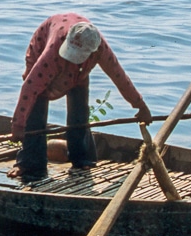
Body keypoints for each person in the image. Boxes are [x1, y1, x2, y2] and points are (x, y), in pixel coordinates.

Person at [8, 13, 151, 182]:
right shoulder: (53, 51)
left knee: (80, 111)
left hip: (79, 73)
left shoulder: (100, 49)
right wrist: (18, 124)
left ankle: (82, 158)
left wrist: (140, 105)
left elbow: (119, 76)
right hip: (44, 47)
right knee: (36, 106)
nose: (72, 60)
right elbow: (29, 88)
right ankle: (30, 163)